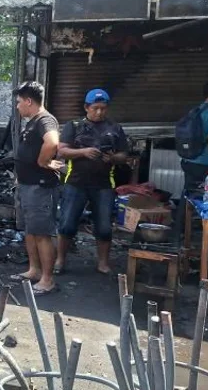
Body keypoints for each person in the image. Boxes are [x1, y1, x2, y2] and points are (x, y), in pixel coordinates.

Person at [56, 88, 128, 275]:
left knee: (104, 227)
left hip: (104, 185)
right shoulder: (74, 126)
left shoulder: (115, 128)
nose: (99, 112)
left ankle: (103, 263)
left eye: (103, 108)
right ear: (86, 107)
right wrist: (83, 152)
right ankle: (60, 260)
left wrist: (112, 158)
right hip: (75, 182)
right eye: (95, 108)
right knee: (67, 225)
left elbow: (124, 155)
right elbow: (62, 151)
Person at [11, 81, 64, 296]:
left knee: (42, 233)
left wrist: (43, 162)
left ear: (29, 101)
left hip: (40, 187)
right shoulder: (33, 121)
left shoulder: (45, 120)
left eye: (19, 102)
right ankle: (34, 270)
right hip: (27, 185)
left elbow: (52, 142)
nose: (17, 106)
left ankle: (47, 280)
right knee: (31, 230)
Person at [173, 80, 208, 242]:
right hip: (204, 163)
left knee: (188, 194)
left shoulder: (196, 110)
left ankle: (179, 230)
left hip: (188, 160)